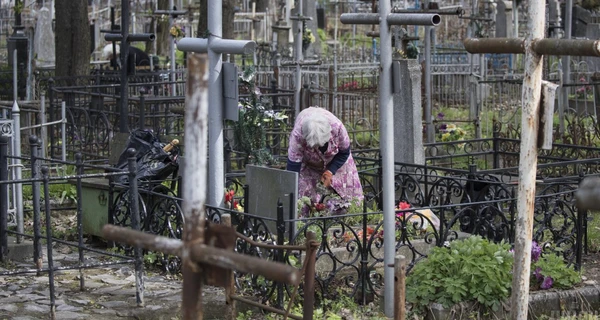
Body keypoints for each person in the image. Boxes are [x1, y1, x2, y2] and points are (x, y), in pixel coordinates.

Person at [287, 107, 363, 215]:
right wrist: (291, 193)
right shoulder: (298, 135)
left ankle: (348, 218)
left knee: (350, 197)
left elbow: (344, 152)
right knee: (304, 197)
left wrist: (330, 171)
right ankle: (307, 220)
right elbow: (293, 167)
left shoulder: (338, 128)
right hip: (310, 163)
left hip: (337, 159)